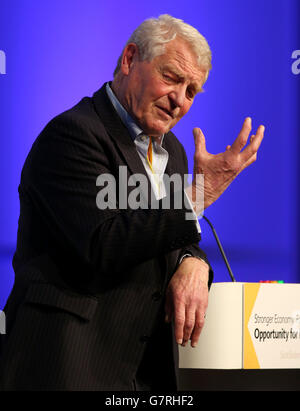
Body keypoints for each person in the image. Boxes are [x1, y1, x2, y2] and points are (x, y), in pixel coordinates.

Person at [0, 15, 264, 391]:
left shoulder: (172, 151)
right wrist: (199, 196)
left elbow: (170, 235)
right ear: (129, 59)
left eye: (191, 91)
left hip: (141, 370)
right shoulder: (73, 135)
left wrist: (192, 262)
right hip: (67, 362)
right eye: (172, 77)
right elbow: (102, 243)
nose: (179, 101)